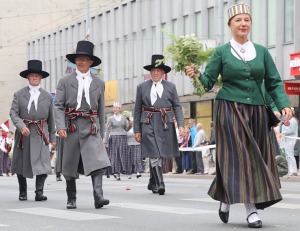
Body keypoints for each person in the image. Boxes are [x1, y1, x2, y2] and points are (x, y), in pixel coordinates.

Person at [185, 3, 293, 229]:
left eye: (246, 19)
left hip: (256, 111)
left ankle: (225, 196)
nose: (243, 23)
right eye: (238, 20)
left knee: (254, 156)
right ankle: (251, 209)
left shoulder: (262, 51)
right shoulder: (222, 52)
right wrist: (196, 74)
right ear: (230, 25)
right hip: (229, 109)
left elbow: (273, 82)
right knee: (243, 157)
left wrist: (284, 105)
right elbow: (207, 84)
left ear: (250, 23)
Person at [54, 40, 111, 209]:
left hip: (91, 126)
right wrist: (60, 126)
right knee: (69, 165)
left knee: (98, 162)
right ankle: (71, 199)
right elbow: (57, 105)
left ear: (91, 62)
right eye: (78, 58)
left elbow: (101, 110)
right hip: (70, 127)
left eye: (84, 59)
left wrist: (101, 134)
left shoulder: (99, 83)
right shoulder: (64, 81)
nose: (80, 61)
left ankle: (98, 196)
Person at [134, 54, 184, 195]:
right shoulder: (142, 87)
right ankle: (161, 183)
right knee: (154, 153)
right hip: (148, 122)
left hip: (164, 123)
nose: (155, 73)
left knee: (160, 153)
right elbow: (137, 109)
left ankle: (153, 180)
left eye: (158, 71)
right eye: (153, 71)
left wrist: (181, 125)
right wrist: (137, 129)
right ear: (150, 72)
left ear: (163, 72)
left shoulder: (171, 87)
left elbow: (177, 107)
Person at [10, 60, 56, 201]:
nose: (34, 77)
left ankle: (39, 192)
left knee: (43, 163)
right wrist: (21, 126)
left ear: (41, 77)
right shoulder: (19, 94)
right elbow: (13, 113)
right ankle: (22, 191)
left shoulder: (48, 96)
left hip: (41, 133)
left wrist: (53, 138)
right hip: (24, 134)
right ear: (28, 78)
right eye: (32, 75)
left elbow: (51, 119)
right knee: (21, 163)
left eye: (37, 75)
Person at [103, 102, 131, 180]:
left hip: (123, 138)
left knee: (122, 155)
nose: (115, 109)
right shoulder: (110, 118)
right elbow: (107, 130)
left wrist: (130, 124)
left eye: (116, 108)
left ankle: (121, 171)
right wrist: (105, 141)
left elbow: (126, 129)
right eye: (114, 108)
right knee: (115, 155)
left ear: (120, 109)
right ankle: (116, 172)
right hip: (114, 138)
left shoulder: (123, 118)